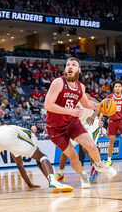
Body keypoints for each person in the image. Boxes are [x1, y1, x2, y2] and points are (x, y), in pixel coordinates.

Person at [44, 57, 117, 189]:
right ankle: (83, 175)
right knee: (73, 156)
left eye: (73, 65)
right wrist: (69, 111)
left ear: (79, 70)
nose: (70, 67)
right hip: (55, 128)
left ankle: (99, 165)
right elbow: (48, 105)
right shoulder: (58, 83)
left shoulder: (80, 87)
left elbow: (86, 103)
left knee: (91, 146)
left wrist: (101, 106)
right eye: (67, 65)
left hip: (72, 123)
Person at [0, 125, 73, 193]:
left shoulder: (18, 133)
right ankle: (53, 181)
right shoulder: (32, 136)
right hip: (9, 135)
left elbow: (20, 165)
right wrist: (49, 180)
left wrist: (29, 184)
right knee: (43, 157)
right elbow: (39, 161)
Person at [55, 98, 101, 183]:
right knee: (66, 150)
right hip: (78, 126)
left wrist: (93, 116)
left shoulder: (85, 96)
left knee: (86, 147)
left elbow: (101, 106)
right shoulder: (65, 102)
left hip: (91, 124)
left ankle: (95, 166)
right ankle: (60, 174)